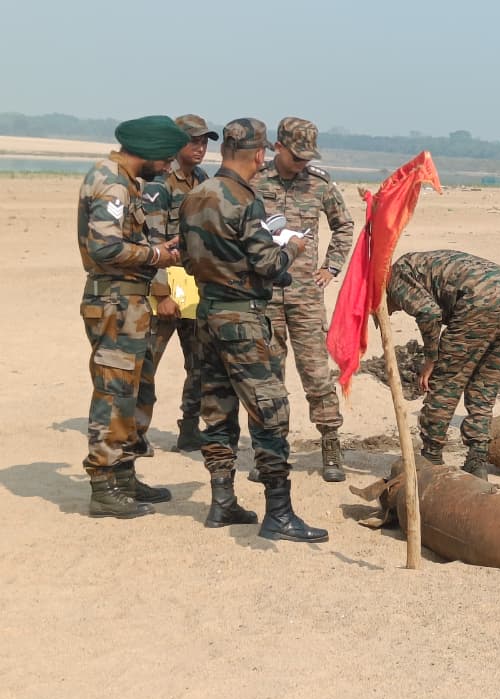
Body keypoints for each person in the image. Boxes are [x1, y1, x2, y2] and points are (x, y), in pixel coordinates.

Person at [180, 118, 327, 542]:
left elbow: (187, 260)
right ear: (260, 154)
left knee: (217, 409)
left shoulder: (196, 195)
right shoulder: (245, 201)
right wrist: (293, 248)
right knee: (269, 411)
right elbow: (268, 263)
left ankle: (222, 501)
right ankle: (279, 513)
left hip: (207, 316)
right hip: (243, 319)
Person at [77, 115, 190, 519]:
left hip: (129, 302)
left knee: (135, 391)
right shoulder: (112, 182)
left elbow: (124, 241)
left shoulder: (126, 182)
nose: (168, 165)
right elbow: (106, 248)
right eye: (165, 158)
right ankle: (103, 485)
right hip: (114, 302)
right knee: (114, 392)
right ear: (149, 151)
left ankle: (123, 476)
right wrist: (157, 255)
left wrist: (159, 249)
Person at [253, 117, 355, 482]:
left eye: (307, 158)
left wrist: (331, 267)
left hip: (306, 297)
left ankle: (330, 444)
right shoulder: (255, 182)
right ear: (278, 147)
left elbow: (344, 225)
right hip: (264, 295)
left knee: (316, 374)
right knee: (268, 377)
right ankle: (271, 452)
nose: (302, 164)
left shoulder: (319, 184)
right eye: (296, 157)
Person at [385, 250, 500, 479]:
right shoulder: (414, 266)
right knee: (486, 381)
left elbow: (429, 313)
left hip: (479, 300)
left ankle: (431, 455)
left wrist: (431, 358)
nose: (391, 313)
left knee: (446, 381)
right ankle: (477, 458)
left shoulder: (396, 278)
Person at [142, 114, 217, 452]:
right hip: (164, 283)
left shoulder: (202, 179)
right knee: (147, 362)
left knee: (198, 362)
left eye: (204, 142)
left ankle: (189, 427)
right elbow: (153, 240)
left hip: (191, 284)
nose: (200, 148)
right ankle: (135, 433)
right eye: (193, 141)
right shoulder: (159, 183)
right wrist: (162, 294)